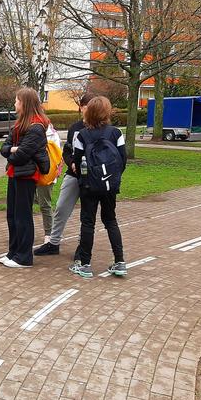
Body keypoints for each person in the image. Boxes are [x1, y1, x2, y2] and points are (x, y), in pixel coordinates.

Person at [69, 95, 127, 278]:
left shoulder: (82, 135)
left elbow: (77, 163)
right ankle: (119, 262)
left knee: (88, 222)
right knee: (111, 220)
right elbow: (122, 161)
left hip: (89, 185)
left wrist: (86, 178)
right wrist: (111, 178)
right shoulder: (116, 133)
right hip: (110, 184)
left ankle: (85, 264)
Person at [35, 93, 95, 257]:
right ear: (81, 107)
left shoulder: (99, 128)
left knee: (87, 213)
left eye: (92, 107)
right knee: (61, 208)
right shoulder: (75, 128)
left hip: (92, 178)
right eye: (86, 107)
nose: (88, 110)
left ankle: (83, 247)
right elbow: (67, 151)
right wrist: (72, 163)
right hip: (73, 175)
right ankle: (53, 243)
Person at [0, 87, 50, 268]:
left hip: (27, 176)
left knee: (23, 216)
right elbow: (3, 148)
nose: (14, 103)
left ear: (24, 103)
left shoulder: (36, 127)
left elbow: (20, 155)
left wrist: (12, 152)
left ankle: (24, 257)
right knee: (12, 215)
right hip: (15, 174)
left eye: (16, 100)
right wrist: (13, 149)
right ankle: (13, 252)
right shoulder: (19, 124)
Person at [34, 122, 61, 245]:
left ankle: (49, 233)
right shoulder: (30, 129)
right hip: (30, 172)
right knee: (29, 202)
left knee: (45, 204)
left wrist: (57, 170)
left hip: (46, 174)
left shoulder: (52, 134)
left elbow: (58, 155)